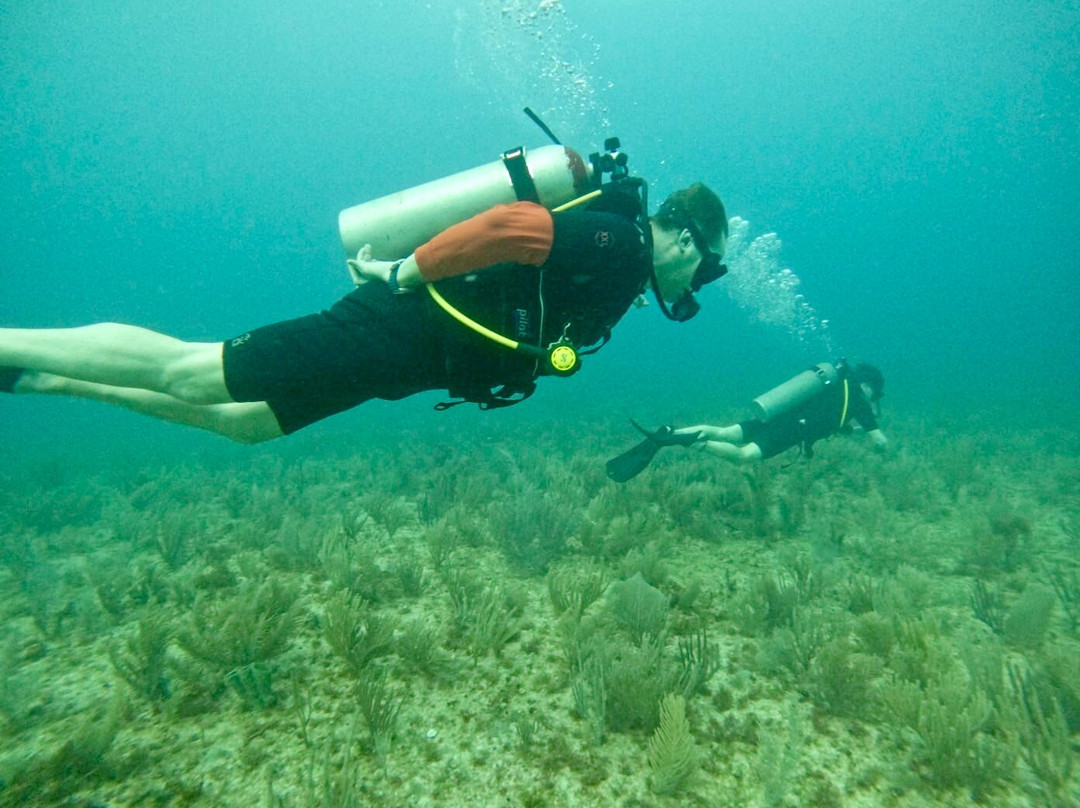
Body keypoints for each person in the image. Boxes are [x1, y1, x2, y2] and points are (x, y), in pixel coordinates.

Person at [0, 181, 728, 443]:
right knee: (196, 373)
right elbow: (513, 228)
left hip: (411, 361)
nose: (703, 278)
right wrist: (404, 270)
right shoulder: (619, 238)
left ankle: (45, 379)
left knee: (246, 425)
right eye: (710, 262)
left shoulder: (624, 275)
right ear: (689, 238)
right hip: (400, 325)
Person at [606, 360, 888, 481]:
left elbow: (839, 424)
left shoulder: (839, 388)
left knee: (725, 431)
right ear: (868, 386)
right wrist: (883, 445)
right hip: (789, 430)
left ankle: (673, 431)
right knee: (743, 457)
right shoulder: (858, 401)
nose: (873, 398)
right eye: (874, 393)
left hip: (776, 414)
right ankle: (692, 442)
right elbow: (878, 439)